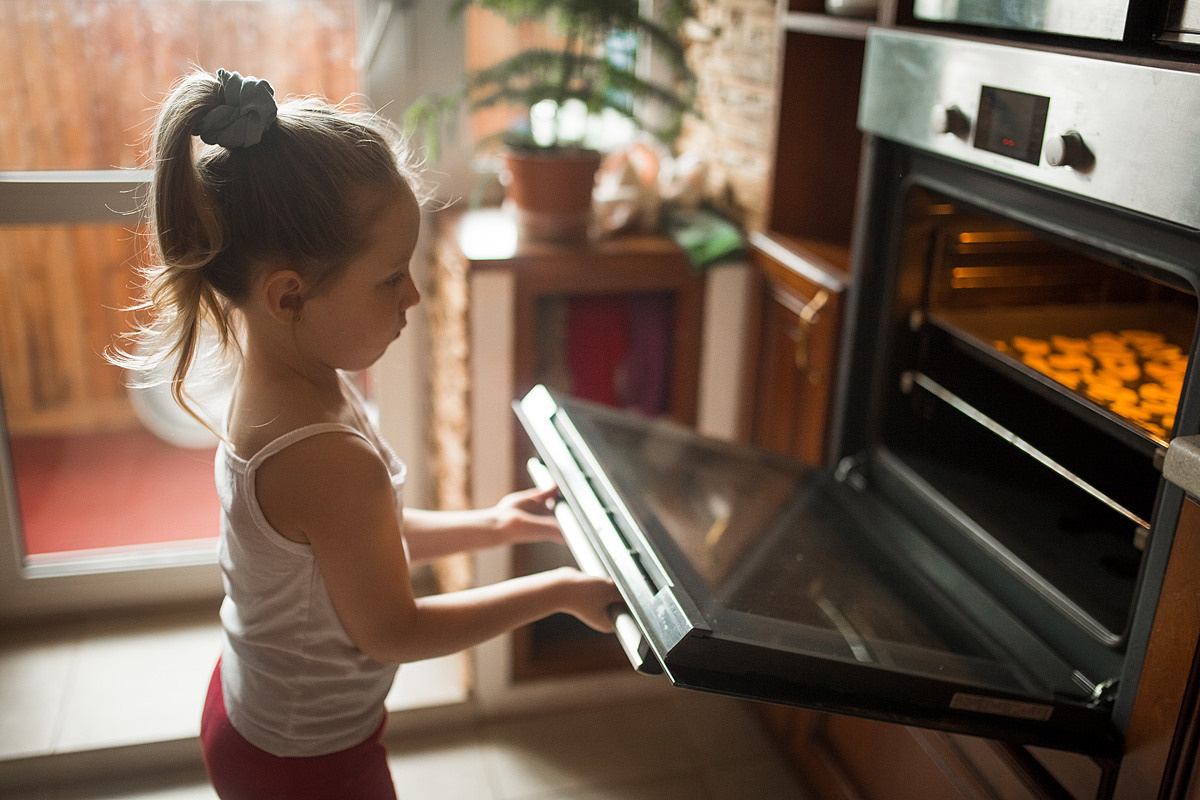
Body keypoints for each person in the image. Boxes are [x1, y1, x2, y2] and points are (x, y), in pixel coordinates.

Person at [114, 68, 622, 800]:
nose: (412, 294)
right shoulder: (321, 453)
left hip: (258, 709)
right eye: (390, 278)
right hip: (299, 760)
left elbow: (356, 546)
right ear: (289, 295)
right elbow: (394, 630)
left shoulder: (291, 379)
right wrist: (557, 592)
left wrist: (495, 524)